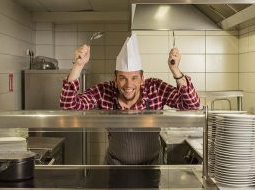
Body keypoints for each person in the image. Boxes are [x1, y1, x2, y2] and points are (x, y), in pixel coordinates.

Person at [60, 34, 200, 165]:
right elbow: (68, 105)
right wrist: (78, 65)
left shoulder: (155, 88)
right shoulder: (105, 91)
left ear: (142, 79)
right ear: (115, 79)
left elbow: (192, 105)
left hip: (151, 166)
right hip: (115, 166)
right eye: (122, 78)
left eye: (134, 78)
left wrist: (175, 69)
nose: (128, 85)